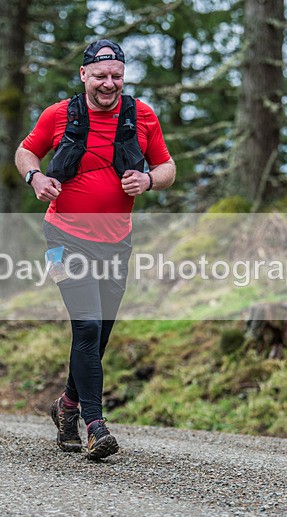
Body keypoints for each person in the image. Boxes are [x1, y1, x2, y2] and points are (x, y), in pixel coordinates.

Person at [14, 39, 176, 459]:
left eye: (116, 76)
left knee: (99, 333)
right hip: (63, 237)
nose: (109, 83)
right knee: (86, 326)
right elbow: (26, 150)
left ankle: (66, 407)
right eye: (100, 75)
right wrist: (35, 177)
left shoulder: (142, 115)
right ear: (84, 74)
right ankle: (95, 425)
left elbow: (167, 166)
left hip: (117, 243)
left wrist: (149, 180)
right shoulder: (59, 114)